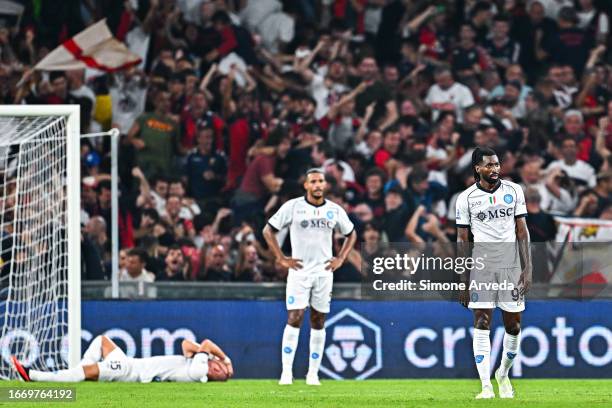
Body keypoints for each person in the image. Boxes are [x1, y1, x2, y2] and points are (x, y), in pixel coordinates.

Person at [262, 169, 357, 386]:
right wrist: (281, 258)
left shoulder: (334, 210)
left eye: (320, 181)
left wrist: (341, 258)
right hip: (300, 273)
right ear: (306, 185)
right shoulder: (293, 207)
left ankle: (313, 374)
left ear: (325, 185)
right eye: (313, 181)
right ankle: (286, 373)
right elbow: (268, 230)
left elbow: (352, 233)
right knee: (294, 317)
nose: (317, 185)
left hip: (324, 273)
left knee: (318, 320)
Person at [455, 147, 532, 399]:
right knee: (482, 322)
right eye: (489, 165)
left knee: (514, 327)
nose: (495, 169)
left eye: (497, 164)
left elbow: (522, 231)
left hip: (511, 267)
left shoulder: (514, 191)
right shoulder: (466, 198)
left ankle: (503, 373)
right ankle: (486, 386)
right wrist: (462, 279)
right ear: (477, 168)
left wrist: (528, 267)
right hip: (482, 268)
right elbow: (462, 239)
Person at [12, 335, 233, 383]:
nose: (219, 370)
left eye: (221, 374)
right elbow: (186, 343)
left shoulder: (198, 371)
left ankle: (32, 376)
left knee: (88, 373)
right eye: (221, 368)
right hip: (132, 363)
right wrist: (201, 352)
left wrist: (226, 358)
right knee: (102, 341)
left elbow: (205, 343)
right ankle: (74, 375)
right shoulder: (196, 363)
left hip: (130, 372)